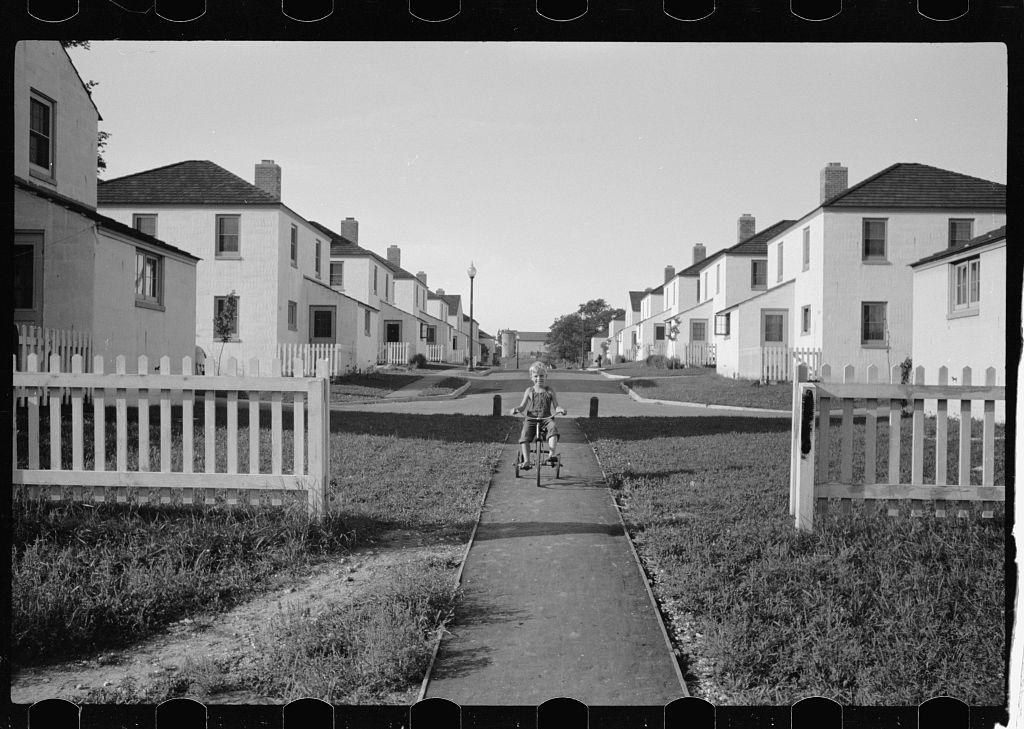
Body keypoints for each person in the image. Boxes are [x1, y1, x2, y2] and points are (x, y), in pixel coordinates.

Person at [510, 361, 567, 467]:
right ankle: (526, 461)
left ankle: (551, 456)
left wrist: (560, 410)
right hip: (531, 418)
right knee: (525, 434)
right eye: (536, 376)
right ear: (531, 377)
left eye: (542, 376)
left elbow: (556, 406)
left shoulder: (549, 391)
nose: (539, 378)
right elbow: (522, 406)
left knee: (553, 428)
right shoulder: (529, 391)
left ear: (546, 376)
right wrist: (516, 409)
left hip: (546, 418)